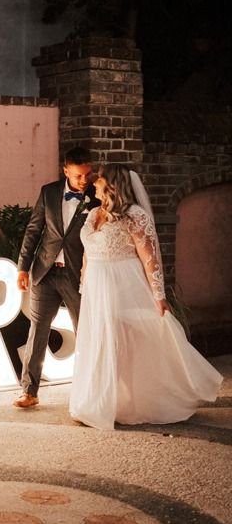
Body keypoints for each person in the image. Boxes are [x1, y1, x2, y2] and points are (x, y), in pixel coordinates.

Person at [69, 164, 222, 429]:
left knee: (124, 343)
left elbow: (150, 258)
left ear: (112, 184)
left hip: (123, 283)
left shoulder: (134, 215)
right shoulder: (94, 213)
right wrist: (84, 285)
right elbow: (87, 253)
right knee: (100, 340)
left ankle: (131, 401)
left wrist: (159, 295)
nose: (94, 182)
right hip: (96, 286)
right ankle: (99, 401)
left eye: (100, 179)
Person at [13, 147, 99, 408]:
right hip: (45, 271)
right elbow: (33, 230)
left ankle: (89, 393)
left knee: (85, 332)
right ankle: (29, 391)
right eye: (78, 175)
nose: (83, 180)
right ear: (65, 171)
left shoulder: (97, 196)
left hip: (78, 275)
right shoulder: (48, 192)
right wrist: (23, 267)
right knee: (37, 330)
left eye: (87, 174)